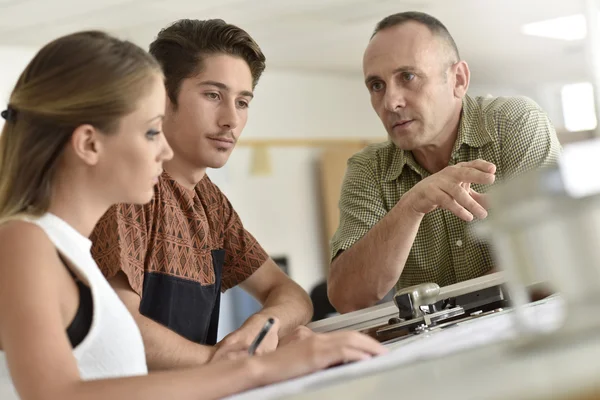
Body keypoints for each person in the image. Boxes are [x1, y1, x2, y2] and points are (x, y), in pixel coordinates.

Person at [0, 30, 386, 400]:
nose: (164, 151)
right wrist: (251, 367)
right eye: (152, 132)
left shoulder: (68, 249)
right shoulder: (24, 239)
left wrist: (255, 345)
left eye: (242, 102)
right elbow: (55, 394)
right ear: (89, 142)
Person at [89, 19, 314, 368]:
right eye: (213, 95)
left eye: (242, 102)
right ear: (161, 97)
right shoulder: (130, 189)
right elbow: (121, 330)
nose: (231, 120)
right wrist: (235, 364)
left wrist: (262, 327)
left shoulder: (211, 203)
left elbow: (291, 294)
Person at [327, 11, 562, 313]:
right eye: (376, 85)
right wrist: (411, 206)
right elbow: (348, 298)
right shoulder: (368, 169)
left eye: (407, 77)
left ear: (458, 80)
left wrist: (455, 310)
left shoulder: (513, 125)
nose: (390, 102)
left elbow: (550, 252)